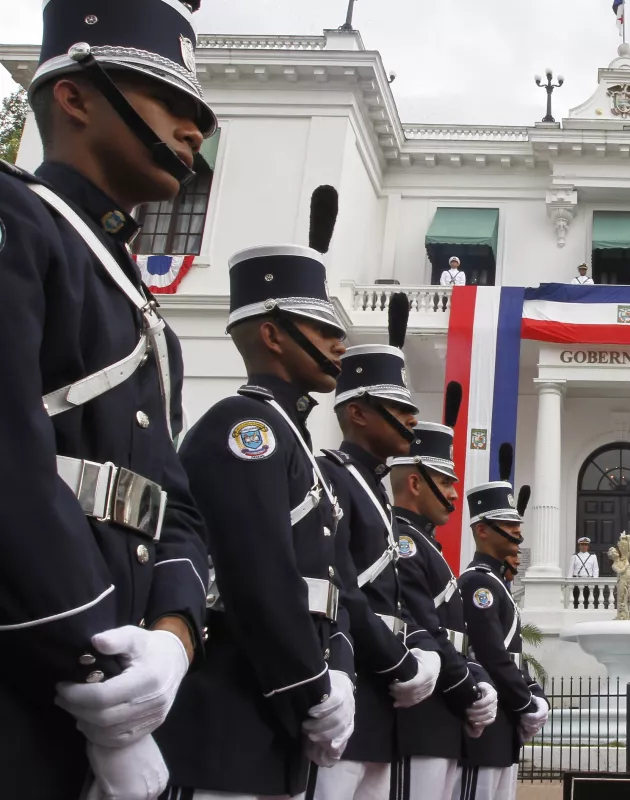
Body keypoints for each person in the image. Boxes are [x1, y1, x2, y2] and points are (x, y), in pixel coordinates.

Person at [0, 2, 213, 796]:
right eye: (171, 103)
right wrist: (100, 677)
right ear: (76, 95)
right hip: (33, 680)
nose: (194, 132)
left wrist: (171, 642)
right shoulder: (18, 222)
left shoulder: (141, 308)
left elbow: (177, 510)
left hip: (126, 683)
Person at [159, 190, 358, 799]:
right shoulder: (246, 428)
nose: (338, 346)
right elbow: (258, 577)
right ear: (272, 334)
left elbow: (330, 583)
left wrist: (337, 675)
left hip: (275, 722)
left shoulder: (291, 437)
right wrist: (308, 688)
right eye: (322, 330)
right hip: (235, 713)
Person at [314, 307, 441, 800]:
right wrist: (397, 663)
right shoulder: (334, 476)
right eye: (396, 405)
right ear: (357, 412)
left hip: (382, 687)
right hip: (353, 676)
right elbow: (342, 585)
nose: (412, 417)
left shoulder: (373, 489)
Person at [387, 394, 499, 800]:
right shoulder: (404, 543)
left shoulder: (425, 545)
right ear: (415, 483)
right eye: (447, 482)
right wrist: (469, 688)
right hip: (420, 715)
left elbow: (457, 637)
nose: (455, 495)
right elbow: (423, 628)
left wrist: (478, 680)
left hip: (443, 712)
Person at [459, 445, 551, 800]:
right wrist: (526, 702)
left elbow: (512, 657)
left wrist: (532, 695)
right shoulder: (478, 582)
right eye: (511, 525)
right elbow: (491, 656)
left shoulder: (493, 583)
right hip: (489, 716)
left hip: (505, 717)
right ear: (482, 530)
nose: (520, 535)